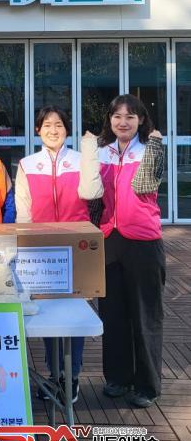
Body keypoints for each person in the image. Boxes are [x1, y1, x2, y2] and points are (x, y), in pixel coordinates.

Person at [15, 106, 104, 403]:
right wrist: (25, 247)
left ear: (67, 130)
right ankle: (54, 374)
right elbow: (23, 211)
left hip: (75, 248)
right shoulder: (28, 164)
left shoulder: (81, 160)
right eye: (47, 125)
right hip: (42, 250)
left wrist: (90, 153)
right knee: (47, 314)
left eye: (59, 125)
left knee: (75, 314)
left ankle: (72, 375)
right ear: (37, 130)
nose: (53, 130)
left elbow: (94, 196)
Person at [97, 94, 165, 409]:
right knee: (113, 314)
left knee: (145, 315)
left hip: (143, 241)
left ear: (141, 120)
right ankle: (117, 377)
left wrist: (155, 144)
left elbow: (145, 186)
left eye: (130, 116)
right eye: (117, 116)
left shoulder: (151, 149)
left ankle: (147, 385)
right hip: (110, 239)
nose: (123, 122)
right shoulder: (101, 153)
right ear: (110, 120)